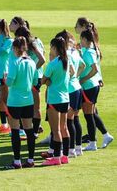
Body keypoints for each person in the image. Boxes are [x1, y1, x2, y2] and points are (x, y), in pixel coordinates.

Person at [74, 18, 113, 149]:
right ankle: (102, 136)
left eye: (81, 40)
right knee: (91, 114)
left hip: (89, 86)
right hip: (92, 85)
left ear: (85, 40)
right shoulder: (91, 49)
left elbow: (94, 69)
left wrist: (83, 79)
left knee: (89, 115)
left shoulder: (89, 52)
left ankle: (93, 142)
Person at [5, 37, 37, 169]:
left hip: (14, 101)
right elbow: (35, 82)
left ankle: (17, 161)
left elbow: (9, 82)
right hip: (28, 100)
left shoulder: (15, 62)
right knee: (29, 130)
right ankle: (30, 159)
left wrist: (6, 77)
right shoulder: (31, 62)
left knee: (15, 130)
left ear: (16, 48)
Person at [41, 38, 71, 166]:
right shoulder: (66, 61)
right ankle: (65, 156)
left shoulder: (53, 64)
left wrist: (48, 81)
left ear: (55, 48)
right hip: (65, 98)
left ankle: (56, 157)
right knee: (64, 128)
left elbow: (43, 80)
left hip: (54, 99)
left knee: (56, 130)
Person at [15, 26, 46, 138]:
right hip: (30, 77)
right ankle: (33, 128)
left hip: (35, 78)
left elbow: (42, 59)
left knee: (35, 107)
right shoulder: (26, 45)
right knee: (29, 104)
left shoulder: (32, 45)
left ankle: (35, 131)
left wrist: (33, 69)